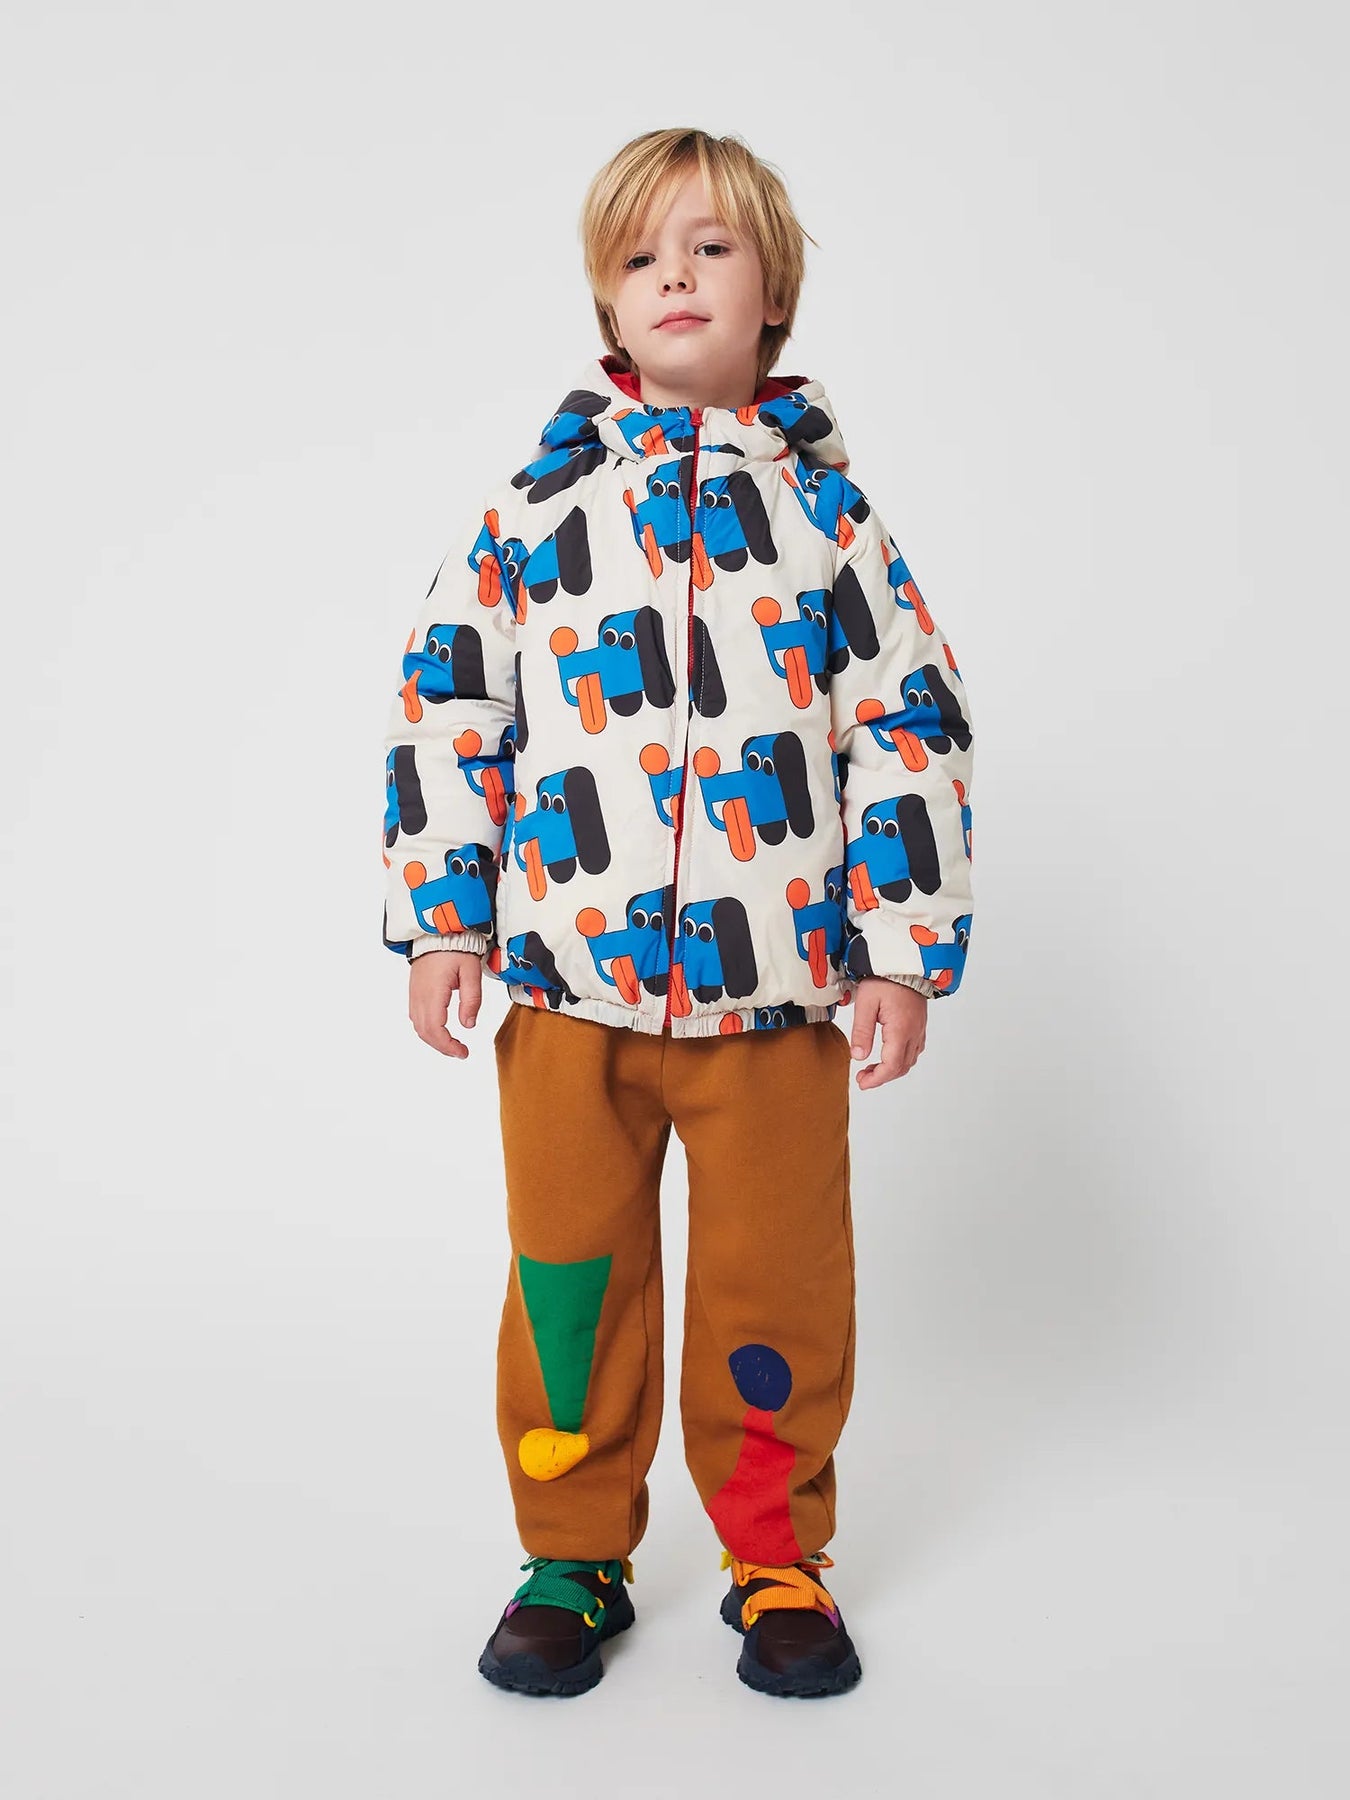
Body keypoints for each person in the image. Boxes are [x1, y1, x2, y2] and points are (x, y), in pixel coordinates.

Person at [380, 127, 975, 1699]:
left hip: (775, 999)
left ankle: (774, 1556)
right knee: (567, 1291)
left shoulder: (833, 524)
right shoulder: (533, 513)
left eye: (711, 247)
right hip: (565, 994)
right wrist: (445, 922)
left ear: (773, 293)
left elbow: (905, 728)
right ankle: (570, 1553)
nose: (675, 276)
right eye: (641, 255)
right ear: (606, 299)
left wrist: (901, 954)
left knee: (778, 1290)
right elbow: (451, 712)